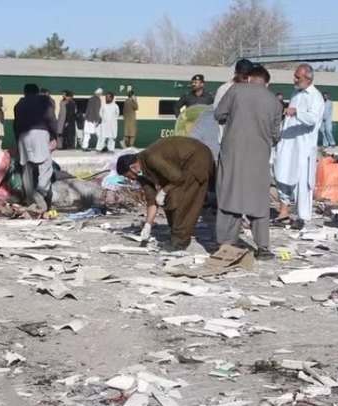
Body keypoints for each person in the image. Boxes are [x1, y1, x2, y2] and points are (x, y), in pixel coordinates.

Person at [214, 65, 282, 260]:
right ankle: (263, 247)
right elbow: (276, 135)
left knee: (229, 196)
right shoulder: (275, 102)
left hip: (232, 154)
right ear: (267, 82)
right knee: (258, 201)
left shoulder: (235, 90)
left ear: (249, 78)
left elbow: (219, 114)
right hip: (260, 156)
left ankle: (226, 244)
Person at [116, 137, 213, 252]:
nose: (131, 180)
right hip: (180, 169)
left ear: (133, 167)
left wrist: (164, 191)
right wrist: (148, 225)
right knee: (169, 199)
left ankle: (179, 242)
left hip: (196, 159)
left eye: (128, 176)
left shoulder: (151, 158)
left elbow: (178, 178)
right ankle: (176, 234)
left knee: (182, 199)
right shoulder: (141, 174)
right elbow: (152, 200)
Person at [273, 63, 324, 230]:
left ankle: (302, 217)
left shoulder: (315, 96)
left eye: (298, 77)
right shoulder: (296, 93)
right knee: (282, 174)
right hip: (287, 142)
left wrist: (296, 113)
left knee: (301, 182)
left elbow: (312, 119)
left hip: (302, 146)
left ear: (308, 79)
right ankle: (284, 212)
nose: (294, 80)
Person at [13, 83, 57, 210]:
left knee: (26, 168)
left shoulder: (19, 104)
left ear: (25, 92)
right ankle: (40, 192)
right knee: (45, 166)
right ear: (37, 92)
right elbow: (51, 118)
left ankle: (29, 198)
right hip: (41, 134)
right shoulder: (45, 102)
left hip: (23, 135)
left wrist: (18, 140)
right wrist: (54, 135)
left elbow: (15, 124)